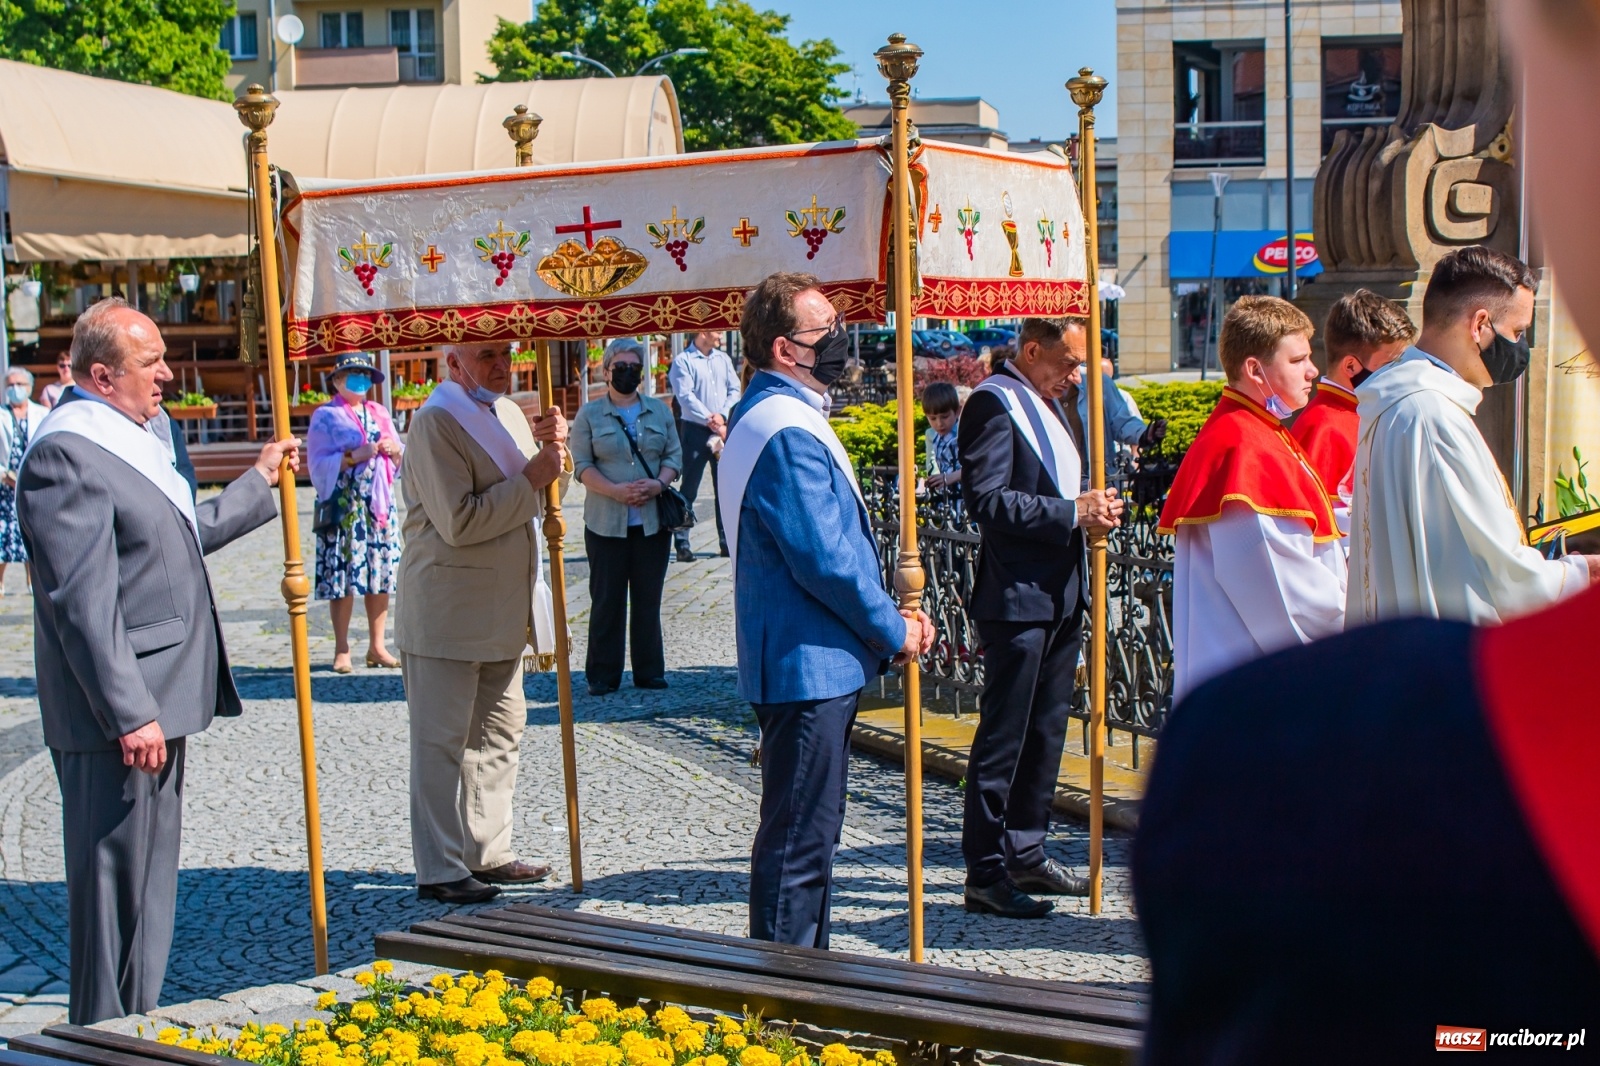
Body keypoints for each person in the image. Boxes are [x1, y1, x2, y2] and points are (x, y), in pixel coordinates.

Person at [1131, 10, 1600, 1056]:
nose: (1309, 379)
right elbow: (1311, 584)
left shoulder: (1374, 411)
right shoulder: (1372, 422)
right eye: (1295, 364)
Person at [16, 298, 296, 1024]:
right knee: (112, 897)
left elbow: (176, 539)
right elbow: (83, 602)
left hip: (158, 700)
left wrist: (258, 482)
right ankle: (100, 1034)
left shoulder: (138, 434)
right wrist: (128, 709)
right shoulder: (65, 452)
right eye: (152, 364)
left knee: (149, 892)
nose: (169, 375)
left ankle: (134, 1025)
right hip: (120, 715)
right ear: (103, 376)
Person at [720, 272, 933, 948]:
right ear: (786, 349)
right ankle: (783, 1003)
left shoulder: (780, 412)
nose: (842, 344)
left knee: (810, 836)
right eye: (827, 333)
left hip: (810, 659)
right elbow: (826, 558)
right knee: (799, 844)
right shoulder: (781, 428)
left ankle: (805, 981)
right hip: (804, 662)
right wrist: (893, 626)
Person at [957, 317, 1125, 918]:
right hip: (1017, 596)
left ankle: (1027, 848)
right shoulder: (993, 405)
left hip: (1063, 588)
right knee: (1005, 735)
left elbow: (1070, 485)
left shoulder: (1059, 401)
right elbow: (988, 499)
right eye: (1068, 361)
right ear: (1031, 351)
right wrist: (1070, 512)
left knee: (1048, 731)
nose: (1076, 374)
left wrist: (1091, 510)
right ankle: (985, 867)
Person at [396, 342, 569, 904]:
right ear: (454, 363)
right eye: (487, 354)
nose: (501, 364)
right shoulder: (435, 424)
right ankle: (440, 866)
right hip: (447, 610)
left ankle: (485, 850)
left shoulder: (514, 413)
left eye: (507, 353)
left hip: (503, 608)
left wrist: (555, 456)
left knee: (499, 734)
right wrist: (534, 477)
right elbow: (460, 521)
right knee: (442, 742)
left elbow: (545, 499)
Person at [1348, 246, 1595, 626]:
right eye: (1517, 331)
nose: (1520, 347)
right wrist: (1583, 573)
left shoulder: (1398, 399)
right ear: (1480, 325)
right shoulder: (1433, 416)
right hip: (1448, 657)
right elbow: (1506, 576)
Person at [1158, 296, 1345, 700]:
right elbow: (1283, 594)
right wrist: (1365, 615)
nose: (1313, 371)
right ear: (1254, 370)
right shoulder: (1245, 447)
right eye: (1297, 361)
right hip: (1255, 682)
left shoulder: (1260, 429)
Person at [570, 338, 682, 696]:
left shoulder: (659, 411)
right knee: (607, 600)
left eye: (634, 367)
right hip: (605, 522)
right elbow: (582, 466)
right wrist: (615, 491)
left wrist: (658, 484)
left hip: (651, 523)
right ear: (605, 372)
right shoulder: (589, 414)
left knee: (648, 599)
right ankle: (602, 674)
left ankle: (649, 671)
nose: (628, 373)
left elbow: (674, 456)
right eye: (621, 367)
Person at [307, 353, 404, 674]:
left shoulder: (379, 411)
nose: (359, 379)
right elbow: (317, 463)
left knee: (379, 574)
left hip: (378, 507)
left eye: (364, 373)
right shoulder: (326, 415)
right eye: (352, 373)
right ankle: (342, 647)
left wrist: (393, 450)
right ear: (337, 380)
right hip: (346, 507)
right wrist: (350, 457)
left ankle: (377, 645)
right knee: (344, 576)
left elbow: (400, 453)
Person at [1290, 290, 1414, 528]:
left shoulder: (1368, 412)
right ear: (1351, 367)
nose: (1400, 374)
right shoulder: (1324, 428)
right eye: (1390, 365)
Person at [668, 330, 740, 561]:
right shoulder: (683, 361)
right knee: (689, 488)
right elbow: (685, 396)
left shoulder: (723, 359)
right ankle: (682, 543)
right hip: (695, 431)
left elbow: (734, 389)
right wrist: (711, 418)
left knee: (725, 488)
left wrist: (722, 415)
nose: (720, 334)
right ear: (702, 333)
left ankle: (726, 540)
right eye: (716, 330)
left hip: (721, 430)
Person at [1069, 353, 1166, 483]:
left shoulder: (1098, 382)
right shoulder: (1037, 386)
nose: (1075, 376)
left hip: (1100, 479)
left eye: (1077, 364)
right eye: (1068, 363)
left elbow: (1122, 422)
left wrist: (1145, 433)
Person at [0, 368, 49, 594]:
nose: (15, 389)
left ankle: (32, 582)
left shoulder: (42, 414)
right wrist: (6, 476)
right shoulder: (1, 414)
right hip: (5, 487)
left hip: (32, 483)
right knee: (3, 535)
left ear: (29, 387)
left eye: (19, 384)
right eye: (10, 385)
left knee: (32, 532)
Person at [921, 381, 963, 496]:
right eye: (933, 418)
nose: (939, 424)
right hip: (947, 495)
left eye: (945, 417)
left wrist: (950, 477)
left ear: (957, 411)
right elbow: (932, 461)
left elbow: (979, 465)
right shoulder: (932, 435)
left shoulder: (965, 432)